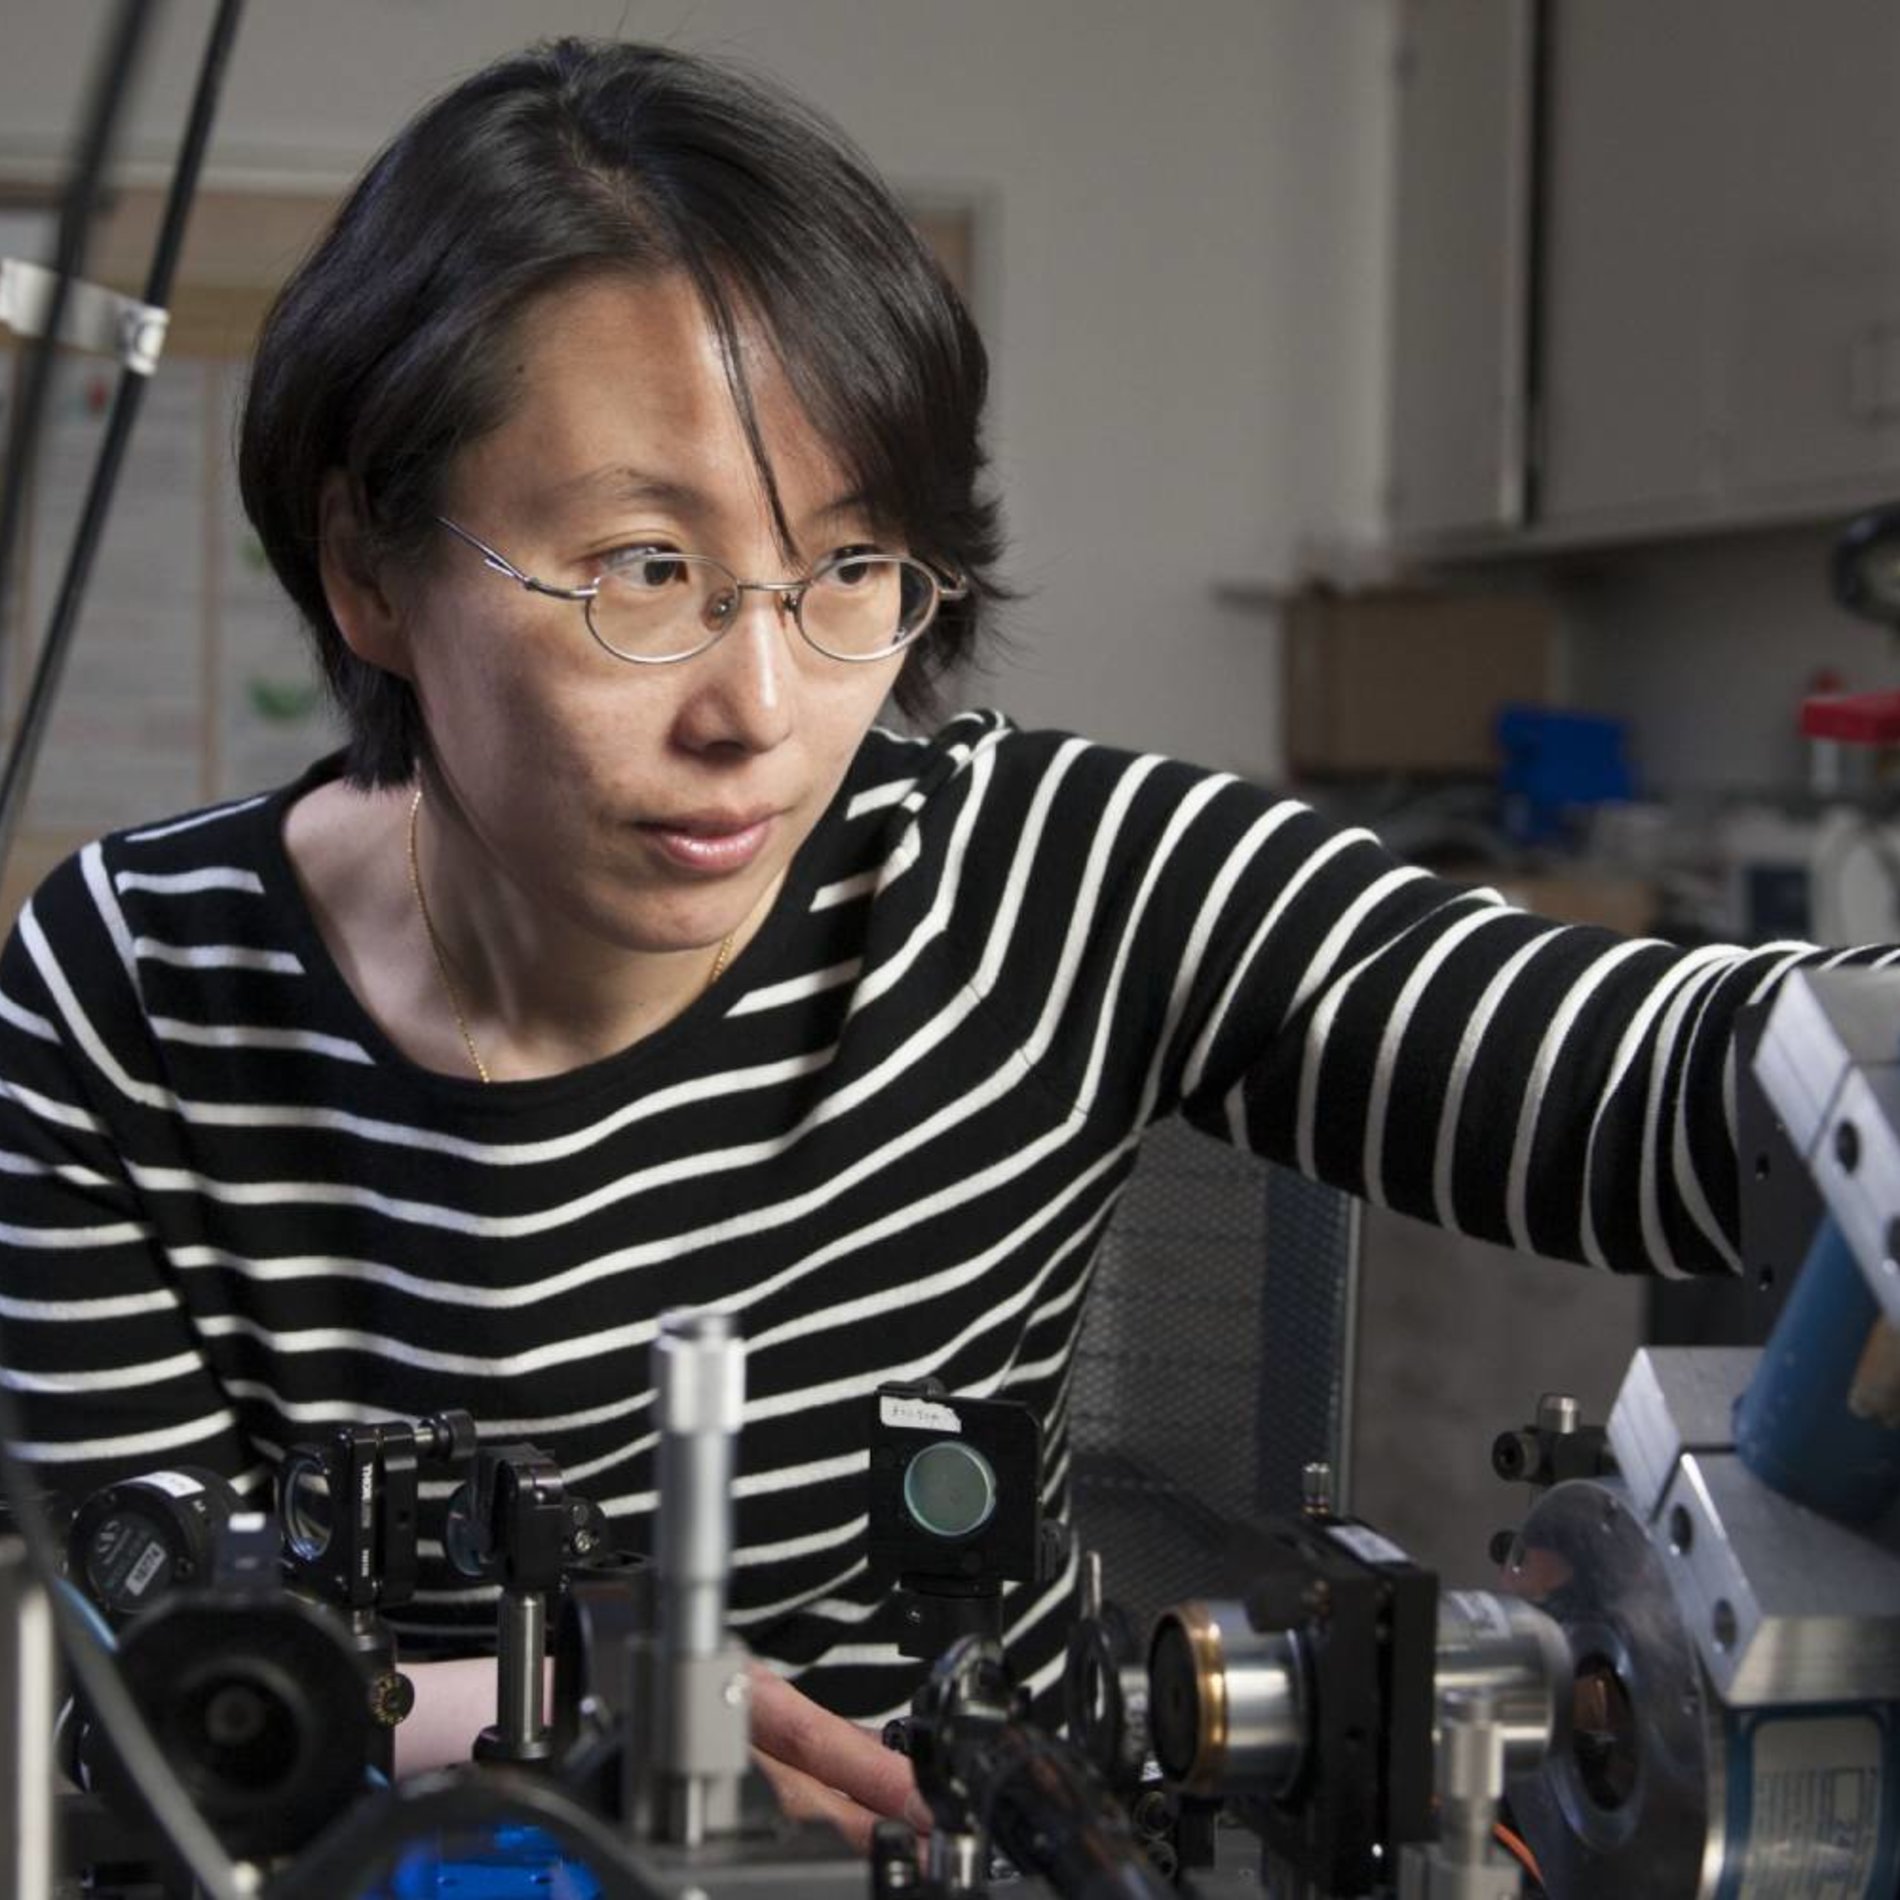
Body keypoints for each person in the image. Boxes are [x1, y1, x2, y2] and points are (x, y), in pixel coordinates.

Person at [0, 35, 1881, 1848]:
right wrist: (522, 1721)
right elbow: (104, 1666)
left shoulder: (1050, 877)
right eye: (647, 570)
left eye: (844, 571)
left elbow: (1690, 1093)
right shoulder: (130, 988)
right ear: (367, 566)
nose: (762, 705)